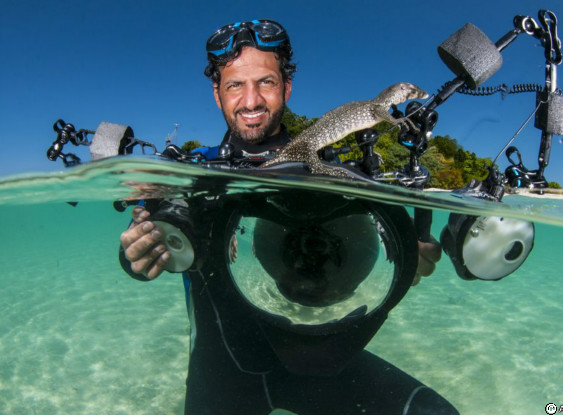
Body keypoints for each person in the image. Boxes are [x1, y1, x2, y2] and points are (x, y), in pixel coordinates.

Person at [119, 19, 458, 415]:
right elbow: (163, 223)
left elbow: (380, 238)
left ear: (286, 88)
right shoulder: (194, 173)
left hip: (327, 360)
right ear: (217, 94)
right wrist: (140, 251)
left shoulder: (330, 168)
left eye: (265, 82)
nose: (251, 101)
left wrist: (410, 253)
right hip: (224, 374)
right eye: (234, 85)